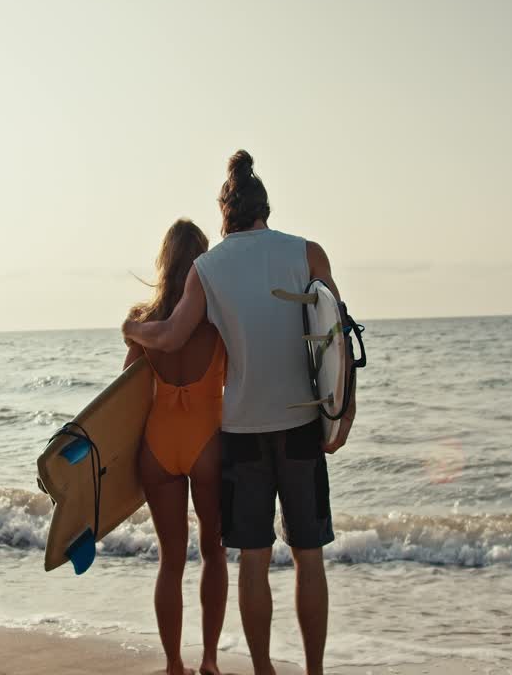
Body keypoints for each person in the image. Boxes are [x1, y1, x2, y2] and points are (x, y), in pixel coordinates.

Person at [123, 150, 354, 675]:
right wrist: (343, 415)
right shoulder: (309, 253)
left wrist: (132, 329)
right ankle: (315, 671)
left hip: (243, 432)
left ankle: (263, 669)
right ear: (264, 208)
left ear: (224, 213)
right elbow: (338, 338)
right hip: (300, 424)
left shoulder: (209, 268)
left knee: (252, 557)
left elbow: (173, 334)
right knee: (308, 556)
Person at [124, 218, 229, 675]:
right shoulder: (218, 320)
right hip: (209, 445)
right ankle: (209, 661)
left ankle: (172, 664)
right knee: (214, 552)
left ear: (164, 263)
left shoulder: (144, 323)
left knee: (170, 560)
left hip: (158, 448)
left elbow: (124, 395)